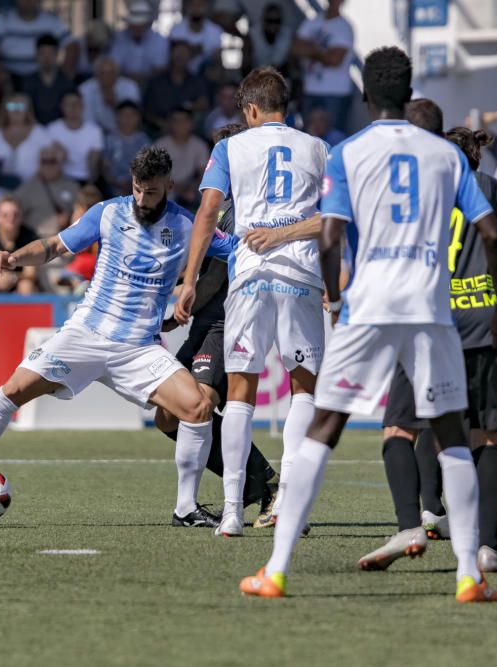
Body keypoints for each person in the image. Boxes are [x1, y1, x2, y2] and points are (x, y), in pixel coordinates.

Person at [235, 47, 497, 603]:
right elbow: (492, 235)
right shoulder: (446, 156)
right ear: (409, 96)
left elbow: (332, 235)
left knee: (325, 427)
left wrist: (335, 298)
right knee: (454, 434)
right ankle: (468, 575)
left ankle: (277, 569)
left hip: (370, 306)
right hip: (430, 309)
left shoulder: (349, 153)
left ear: (365, 95)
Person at [0, 148, 233, 507]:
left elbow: (239, 251)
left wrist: (279, 237)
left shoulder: (187, 226)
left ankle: (185, 508)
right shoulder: (107, 213)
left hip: (139, 348)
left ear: (168, 185)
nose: (141, 198)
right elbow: (55, 246)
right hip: (85, 334)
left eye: (150, 192)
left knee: (197, 408)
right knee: (12, 390)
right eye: (136, 189)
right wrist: (13, 258)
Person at [360, 106, 497, 574]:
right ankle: (486, 547)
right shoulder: (490, 189)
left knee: (400, 429)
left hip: (427, 321)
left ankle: (411, 524)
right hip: (483, 324)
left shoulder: (413, 194)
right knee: (485, 438)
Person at [176, 67, 328, 537]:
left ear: (251, 109)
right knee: (304, 388)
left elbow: (206, 212)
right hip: (301, 273)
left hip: (248, 278)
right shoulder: (318, 148)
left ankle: (231, 513)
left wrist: (188, 279)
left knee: (241, 392)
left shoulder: (229, 146)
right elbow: (336, 217)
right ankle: (286, 502)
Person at [158, 122, 281, 528]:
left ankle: (264, 482)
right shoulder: (222, 205)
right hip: (207, 322)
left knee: (199, 403)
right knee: (168, 415)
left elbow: (212, 278)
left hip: (227, 321)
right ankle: (253, 484)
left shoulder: (237, 211)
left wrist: (183, 304)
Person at [0, 94, 51, 223]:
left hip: (30, 184)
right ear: (5, 110)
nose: (16, 110)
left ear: (28, 110)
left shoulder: (39, 132)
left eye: (21, 106)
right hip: (2, 185)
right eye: (12, 106)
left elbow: (51, 158)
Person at [292, 0, 354, 134]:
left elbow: (335, 59)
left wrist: (311, 50)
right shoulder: (313, 22)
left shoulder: (344, 27)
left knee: (334, 137)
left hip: (336, 93)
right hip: (310, 90)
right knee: (308, 137)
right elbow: (296, 48)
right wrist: (323, 52)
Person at [0, 0, 76, 89]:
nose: (28, 0)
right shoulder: (3, 19)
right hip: (9, 78)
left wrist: (65, 73)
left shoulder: (51, 20)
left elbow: (71, 45)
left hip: (41, 80)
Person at [143, 40, 211, 136]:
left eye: (184, 53)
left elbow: (204, 103)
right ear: (170, 55)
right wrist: (161, 123)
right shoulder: (156, 82)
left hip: (189, 131)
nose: (180, 56)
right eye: (177, 53)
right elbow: (147, 111)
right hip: (159, 130)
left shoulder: (197, 81)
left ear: (190, 57)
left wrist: (190, 106)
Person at [14, 144, 79, 236]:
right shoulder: (27, 188)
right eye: (44, 161)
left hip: (63, 240)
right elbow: (14, 213)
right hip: (35, 239)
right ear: (39, 163)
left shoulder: (72, 186)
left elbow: (81, 213)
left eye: (52, 161)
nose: (48, 165)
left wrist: (69, 216)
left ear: (60, 163)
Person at [154, 106, 209, 209]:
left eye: (184, 121)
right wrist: (173, 187)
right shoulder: (161, 144)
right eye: (176, 121)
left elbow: (203, 173)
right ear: (170, 123)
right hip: (167, 187)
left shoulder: (199, 145)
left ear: (191, 123)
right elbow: (155, 173)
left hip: (191, 186)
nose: (180, 124)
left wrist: (191, 187)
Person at [46, 91, 102, 186]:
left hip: (84, 179)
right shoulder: (52, 129)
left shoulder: (94, 131)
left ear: (82, 106)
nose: (72, 107)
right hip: (59, 179)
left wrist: (89, 186)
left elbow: (93, 163)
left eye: (76, 104)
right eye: (68, 104)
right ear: (62, 107)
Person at [20, 34, 76, 126]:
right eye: (43, 53)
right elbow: (21, 107)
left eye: (51, 53)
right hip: (34, 129)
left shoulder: (67, 82)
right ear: (37, 55)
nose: (47, 58)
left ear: (57, 55)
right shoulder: (27, 82)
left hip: (61, 129)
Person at [108, 2, 168, 85]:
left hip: (152, 85)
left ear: (148, 24)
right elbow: (114, 65)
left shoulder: (160, 40)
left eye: (140, 24)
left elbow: (160, 68)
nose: (137, 27)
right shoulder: (120, 37)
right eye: (134, 24)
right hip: (123, 83)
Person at [79, 56, 141, 135]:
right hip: (95, 135)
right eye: (103, 73)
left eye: (111, 73)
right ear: (96, 75)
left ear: (117, 74)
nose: (107, 77)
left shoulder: (130, 87)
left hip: (124, 134)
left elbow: (132, 119)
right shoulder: (85, 90)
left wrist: (114, 104)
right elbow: (87, 121)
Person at [102, 100, 150, 196]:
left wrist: (133, 185)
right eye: (124, 115)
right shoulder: (109, 139)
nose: (128, 118)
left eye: (132, 115)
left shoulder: (144, 140)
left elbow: (148, 168)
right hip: (113, 187)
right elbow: (104, 167)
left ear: (138, 118)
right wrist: (116, 183)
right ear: (117, 117)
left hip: (139, 188)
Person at [168, 0, 224, 76]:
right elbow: (172, 59)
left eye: (200, 5)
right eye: (193, 5)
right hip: (182, 77)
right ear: (187, 7)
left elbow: (218, 61)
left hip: (206, 78)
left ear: (206, 7)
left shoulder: (216, 31)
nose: (196, 8)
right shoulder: (176, 30)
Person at [246, 2, 293, 74]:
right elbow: (246, 63)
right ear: (263, 20)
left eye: (277, 21)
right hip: (255, 76)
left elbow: (289, 63)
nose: (273, 25)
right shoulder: (252, 35)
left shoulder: (287, 34)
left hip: (281, 75)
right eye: (270, 21)